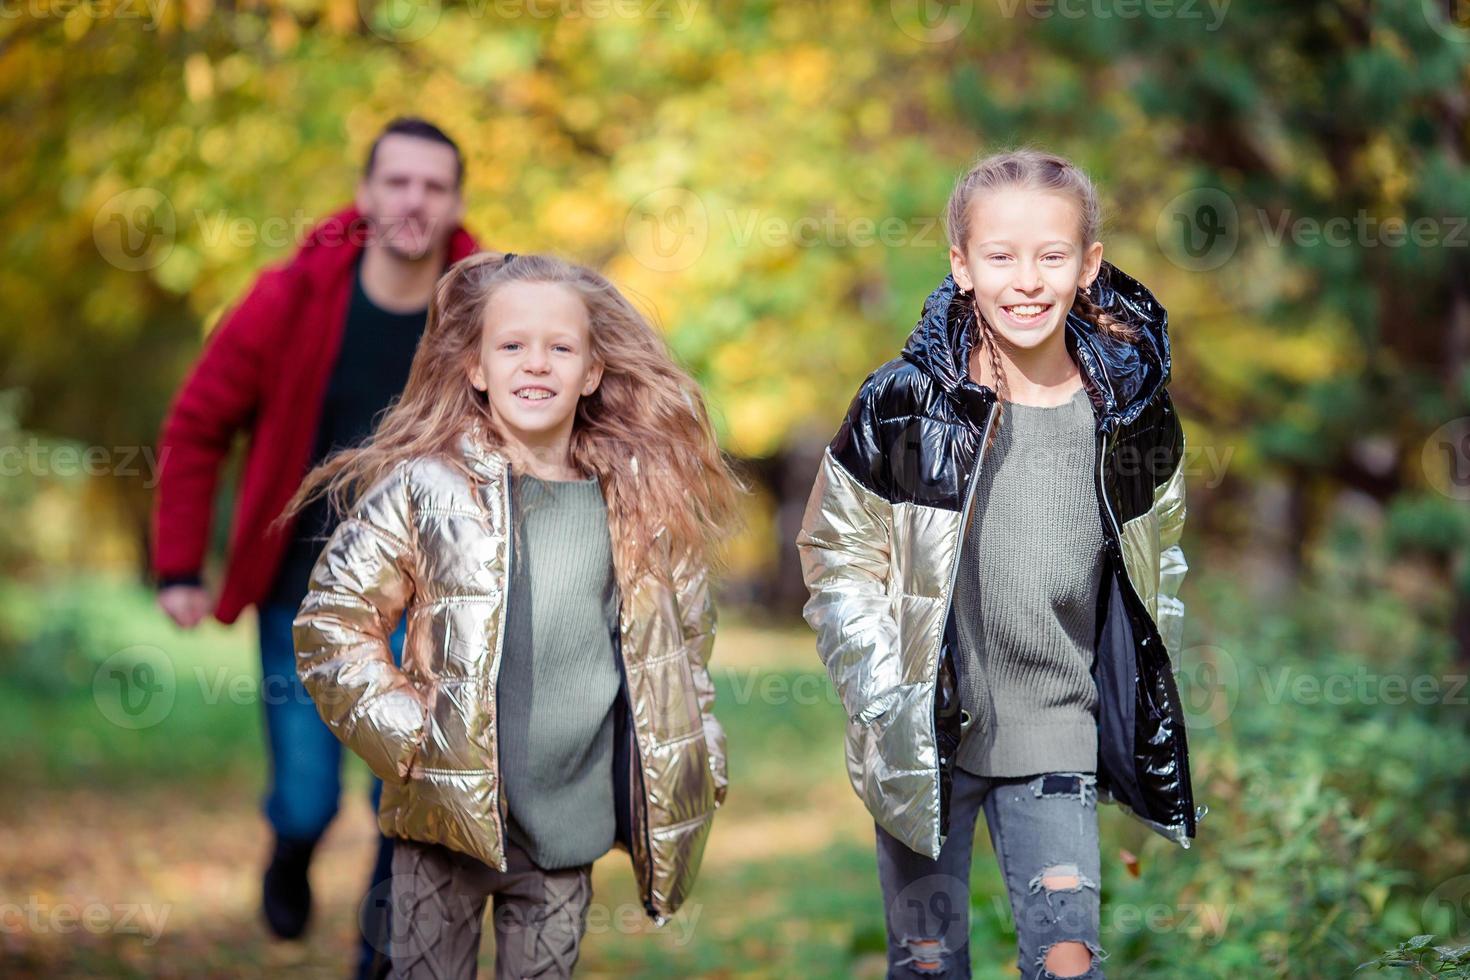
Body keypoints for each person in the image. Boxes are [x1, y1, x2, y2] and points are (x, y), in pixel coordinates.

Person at [795, 147, 1201, 979]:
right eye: (1000, 256)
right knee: (929, 962)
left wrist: (1143, 668)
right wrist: (880, 689)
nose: (1026, 280)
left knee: (1068, 960)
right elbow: (836, 551)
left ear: (1088, 266)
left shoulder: (1127, 415)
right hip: (925, 733)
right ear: (962, 266)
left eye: (1052, 256)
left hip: (1057, 726)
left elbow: (1163, 553)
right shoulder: (904, 402)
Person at [286, 251, 742, 979]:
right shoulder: (426, 488)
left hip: (567, 831)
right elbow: (330, 623)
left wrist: (700, 752)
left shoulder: (639, 507)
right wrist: (411, 739)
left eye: (560, 347)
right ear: (475, 367)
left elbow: (682, 653)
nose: (537, 365)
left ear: (592, 371)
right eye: (512, 347)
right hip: (446, 825)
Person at [150, 117, 481, 977]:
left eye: (433, 187)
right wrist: (181, 566)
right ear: (367, 193)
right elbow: (198, 423)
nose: (414, 201)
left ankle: (380, 959)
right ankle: (290, 849)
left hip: (434, 600)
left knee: (404, 796)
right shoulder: (291, 298)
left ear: (456, 203)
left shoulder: (486, 307)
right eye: (398, 182)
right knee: (307, 796)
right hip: (304, 595)